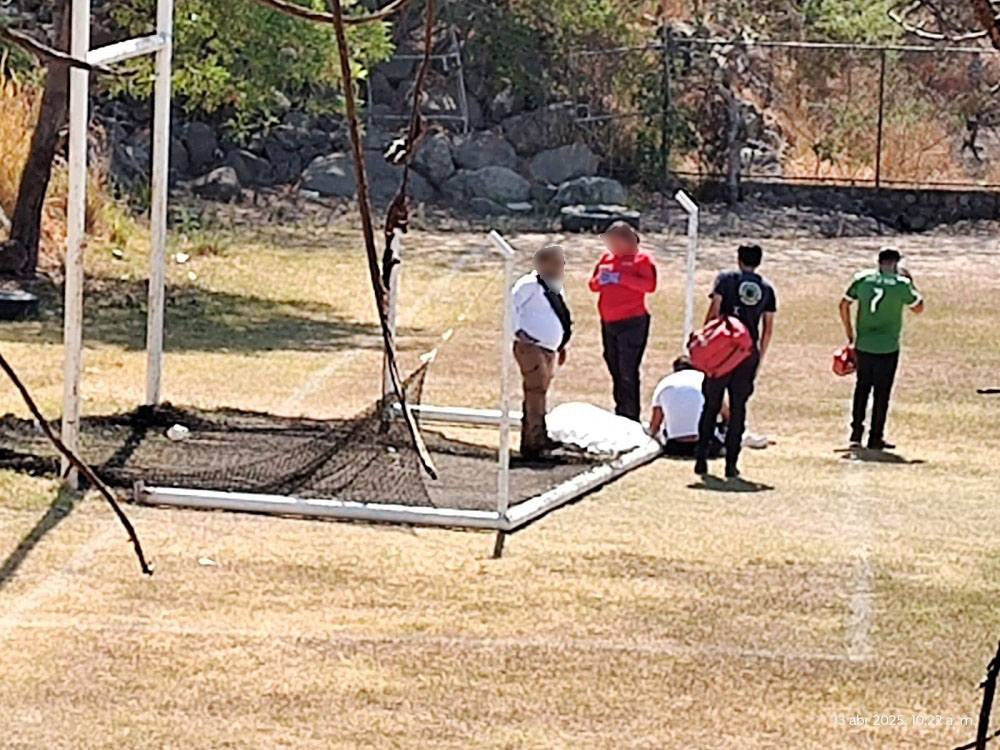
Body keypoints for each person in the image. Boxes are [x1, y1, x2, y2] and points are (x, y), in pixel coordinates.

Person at [695, 244, 777, 478]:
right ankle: (732, 463)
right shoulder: (766, 288)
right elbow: (767, 327)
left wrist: (706, 341)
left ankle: (701, 459)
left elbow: (714, 311)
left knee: (710, 405)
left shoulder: (725, 279)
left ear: (738, 259)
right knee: (738, 408)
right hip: (746, 352)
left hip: (722, 350)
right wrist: (759, 355)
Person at [839, 246, 924, 450]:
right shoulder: (901, 284)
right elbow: (918, 308)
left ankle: (856, 432)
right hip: (887, 346)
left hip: (864, 344)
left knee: (862, 388)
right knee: (882, 392)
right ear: (895, 264)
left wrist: (850, 333)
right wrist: (911, 284)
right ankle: (875, 436)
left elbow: (843, 304)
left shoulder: (863, 279)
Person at [588, 221, 657, 421]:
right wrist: (601, 280)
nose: (610, 245)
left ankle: (631, 416)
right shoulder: (606, 259)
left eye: (614, 241)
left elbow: (649, 285)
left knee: (628, 370)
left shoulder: (642, 259)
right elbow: (593, 285)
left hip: (633, 322)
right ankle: (620, 412)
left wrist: (621, 278)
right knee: (614, 366)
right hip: (609, 322)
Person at [512, 244, 572, 458]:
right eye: (557, 262)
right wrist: (518, 332)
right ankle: (534, 441)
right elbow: (512, 307)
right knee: (535, 391)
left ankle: (537, 435)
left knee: (541, 392)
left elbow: (561, 315)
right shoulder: (528, 284)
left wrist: (562, 343)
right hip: (531, 347)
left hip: (549, 348)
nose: (561, 267)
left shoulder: (555, 287)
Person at [649, 356, 727, 457]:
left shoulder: (664, 384)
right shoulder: (705, 380)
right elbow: (727, 415)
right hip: (708, 445)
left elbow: (655, 425)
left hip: (675, 447)